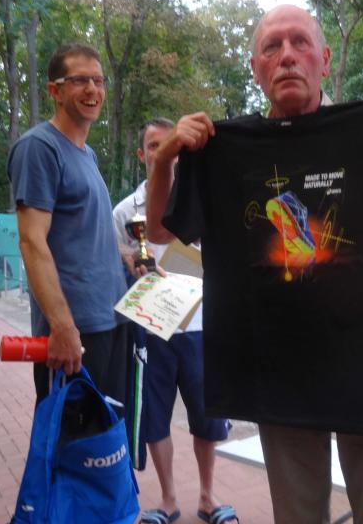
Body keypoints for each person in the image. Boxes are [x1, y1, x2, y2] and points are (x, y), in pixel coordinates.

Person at [144, 5, 363, 524]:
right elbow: (160, 233)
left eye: (300, 42)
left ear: (325, 59)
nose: (287, 56)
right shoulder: (226, 151)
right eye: (272, 47)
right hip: (280, 374)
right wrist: (164, 159)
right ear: (255, 68)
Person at [113, 117, 236, 524]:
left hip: (201, 326)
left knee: (207, 417)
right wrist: (128, 261)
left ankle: (208, 497)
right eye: (153, 145)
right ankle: (167, 500)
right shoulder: (125, 211)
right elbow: (117, 259)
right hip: (151, 328)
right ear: (142, 154)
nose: (162, 152)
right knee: (155, 418)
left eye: (171, 145)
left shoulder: (204, 200)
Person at [7, 42, 134, 406]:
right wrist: (62, 327)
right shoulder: (39, 148)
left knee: (108, 436)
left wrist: (122, 254)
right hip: (77, 333)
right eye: (80, 80)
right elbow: (32, 241)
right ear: (55, 91)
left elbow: (80, 234)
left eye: (98, 80)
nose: (92, 89)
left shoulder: (87, 154)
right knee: (74, 439)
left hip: (110, 319)